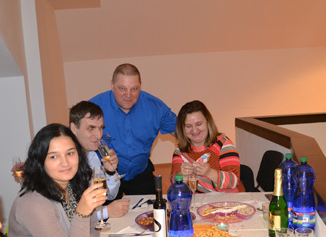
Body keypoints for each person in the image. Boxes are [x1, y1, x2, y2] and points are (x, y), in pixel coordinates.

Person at [6, 124, 105, 237]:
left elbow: (94, 233)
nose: (65, 163)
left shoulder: (73, 185)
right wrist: (81, 214)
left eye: (70, 153)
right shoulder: (33, 202)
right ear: (40, 161)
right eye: (54, 157)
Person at [90, 63, 176, 195]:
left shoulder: (155, 107)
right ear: (112, 85)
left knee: (151, 207)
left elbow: (183, 132)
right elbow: (75, 139)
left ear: (140, 86)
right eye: (122, 88)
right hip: (106, 174)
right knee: (108, 209)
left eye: (134, 89)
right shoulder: (94, 107)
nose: (128, 95)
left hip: (140, 172)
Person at [69, 101, 130, 219]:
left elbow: (109, 195)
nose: (98, 135)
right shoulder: (67, 164)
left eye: (101, 128)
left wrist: (111, 172)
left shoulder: (93, 156)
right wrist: (106, 212)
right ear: (74, 128)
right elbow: (71, 216)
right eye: (91, 128)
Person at [171, 100, 245, 193]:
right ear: (182, 128)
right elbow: (174, 185)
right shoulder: (179, 151)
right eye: (188, 126)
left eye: (199, 124)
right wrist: (182, 175)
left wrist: (209, 172)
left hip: (226, 200)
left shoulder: (223, 144)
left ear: (208, 122)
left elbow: (234, 181)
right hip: (196, 200)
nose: (194, 130)